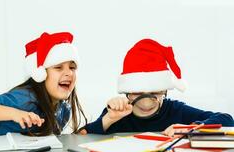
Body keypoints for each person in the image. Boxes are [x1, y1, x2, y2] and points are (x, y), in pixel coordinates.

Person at [80, 38, 234, 136]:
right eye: (138, 93)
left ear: (164, 91)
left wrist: (191, 129)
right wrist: (109, 118)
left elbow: (227, 119)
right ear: (127, 93)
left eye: (154, 93)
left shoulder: (176, 111)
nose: (146, 103)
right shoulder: (117, 112)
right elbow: (83, 134)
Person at [0, 32, 87, 136]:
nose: (69, 73)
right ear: (41, 74)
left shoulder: (64, 111)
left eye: (72, 67)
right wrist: (16, 114)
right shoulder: (26, 99)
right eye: (58, 67)